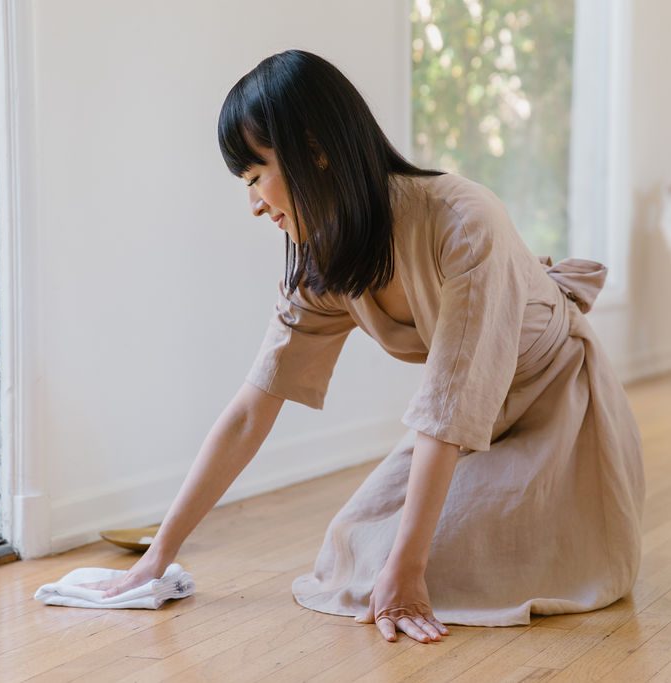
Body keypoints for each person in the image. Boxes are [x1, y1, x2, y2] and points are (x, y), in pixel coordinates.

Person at [83, 49, 646, 645]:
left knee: (447, 570)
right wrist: (159, 555)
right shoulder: (325, 263)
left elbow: (449, 406)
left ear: (315, 150)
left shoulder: (463, 221)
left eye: (255, 177)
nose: (253, 203)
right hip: (468, 424)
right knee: (352, 553)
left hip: (555, 405)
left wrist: (409, 572)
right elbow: (252, 410)